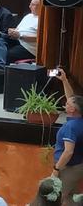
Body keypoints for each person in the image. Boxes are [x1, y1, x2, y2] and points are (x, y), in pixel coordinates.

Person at [0, 0, 41, 94]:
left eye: (33, 5)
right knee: (0, 39)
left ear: (40, 6)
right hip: (17, 40)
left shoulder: (43, 20)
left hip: (28, 47)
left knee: (7, 55)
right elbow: (18, 29)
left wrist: (20, 35)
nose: (29, 6)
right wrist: (12, 31)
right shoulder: (28, 16)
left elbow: (39, 39)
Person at [51, 68, 83, 203]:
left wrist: (56, 169)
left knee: (54, 199)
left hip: (68, 168)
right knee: (70, 199)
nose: (66, 103)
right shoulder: (79, 120)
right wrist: (64, 80)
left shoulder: (71, 127)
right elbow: (72, 98)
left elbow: (68, 152)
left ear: (72, 110)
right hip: (77, 166)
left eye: (67, 104)